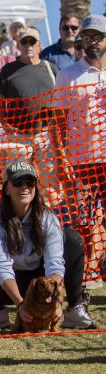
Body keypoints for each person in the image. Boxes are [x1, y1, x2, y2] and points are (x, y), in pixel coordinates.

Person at [0, 161, 95, 332]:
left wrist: (56, 302)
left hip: (42, 285)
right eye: (18, 183)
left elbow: (55, 264)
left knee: (72, 239)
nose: (25, 187)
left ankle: (74, 308)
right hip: (10, 285)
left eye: (30, 183)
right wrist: (21, 304)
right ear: (7, 189)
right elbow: (2, 267)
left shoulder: (49, 218)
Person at [54, 14, 106, 239]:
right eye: (87, 36)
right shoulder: (68, 75)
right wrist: (60, 159)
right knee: (82, 223)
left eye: (98, 37)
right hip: (80, 162)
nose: (92, 42)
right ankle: (85, 272)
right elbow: (57, 122)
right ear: (81, 40)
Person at [0, 27, 58, 133]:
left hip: (48, 135)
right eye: (24, 42)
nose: (28, 46)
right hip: (18, 135)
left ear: (39, 46)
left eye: (32, 42)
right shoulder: (8, 70)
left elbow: (63, 99)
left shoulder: (51, 69)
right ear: (19, 46)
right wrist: (5, 125)